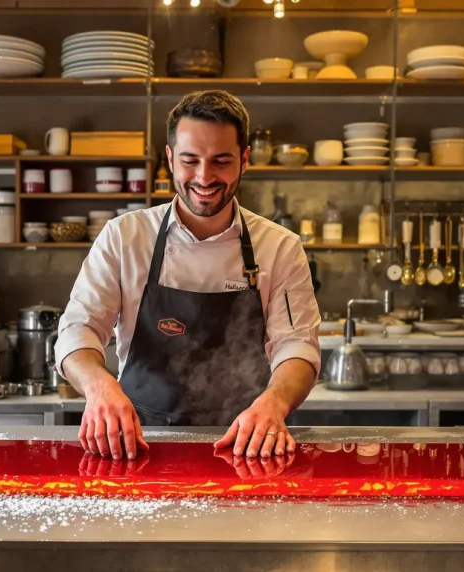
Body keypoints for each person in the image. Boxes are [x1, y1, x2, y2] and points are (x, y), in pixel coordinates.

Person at [54, 90, 322, 461]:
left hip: (246, 444)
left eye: (221, 161)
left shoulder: (280, 248)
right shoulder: (125, 236)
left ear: (244, 160)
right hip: (136, 445)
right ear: (170, 159)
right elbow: (77, 330)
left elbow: (297, 346)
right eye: (189, 160)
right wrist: (99, 386)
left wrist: (275, 404)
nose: (204, 177)